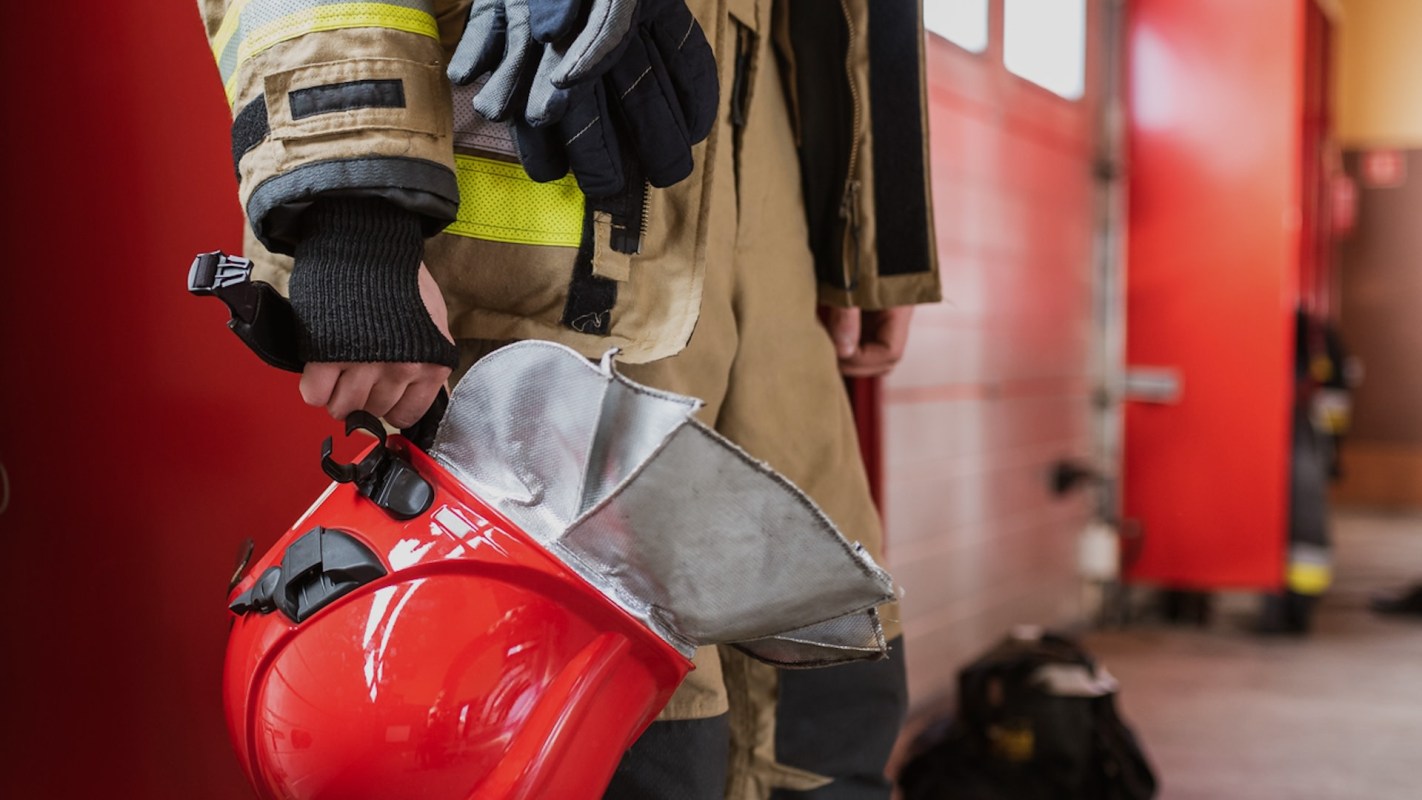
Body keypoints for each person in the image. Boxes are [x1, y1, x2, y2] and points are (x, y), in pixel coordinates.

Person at [197, 0, 940, 797]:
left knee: (829, 706)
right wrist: (352, 204)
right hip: (542, 167)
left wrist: (868, 221)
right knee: (582, 732)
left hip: (755, 159)